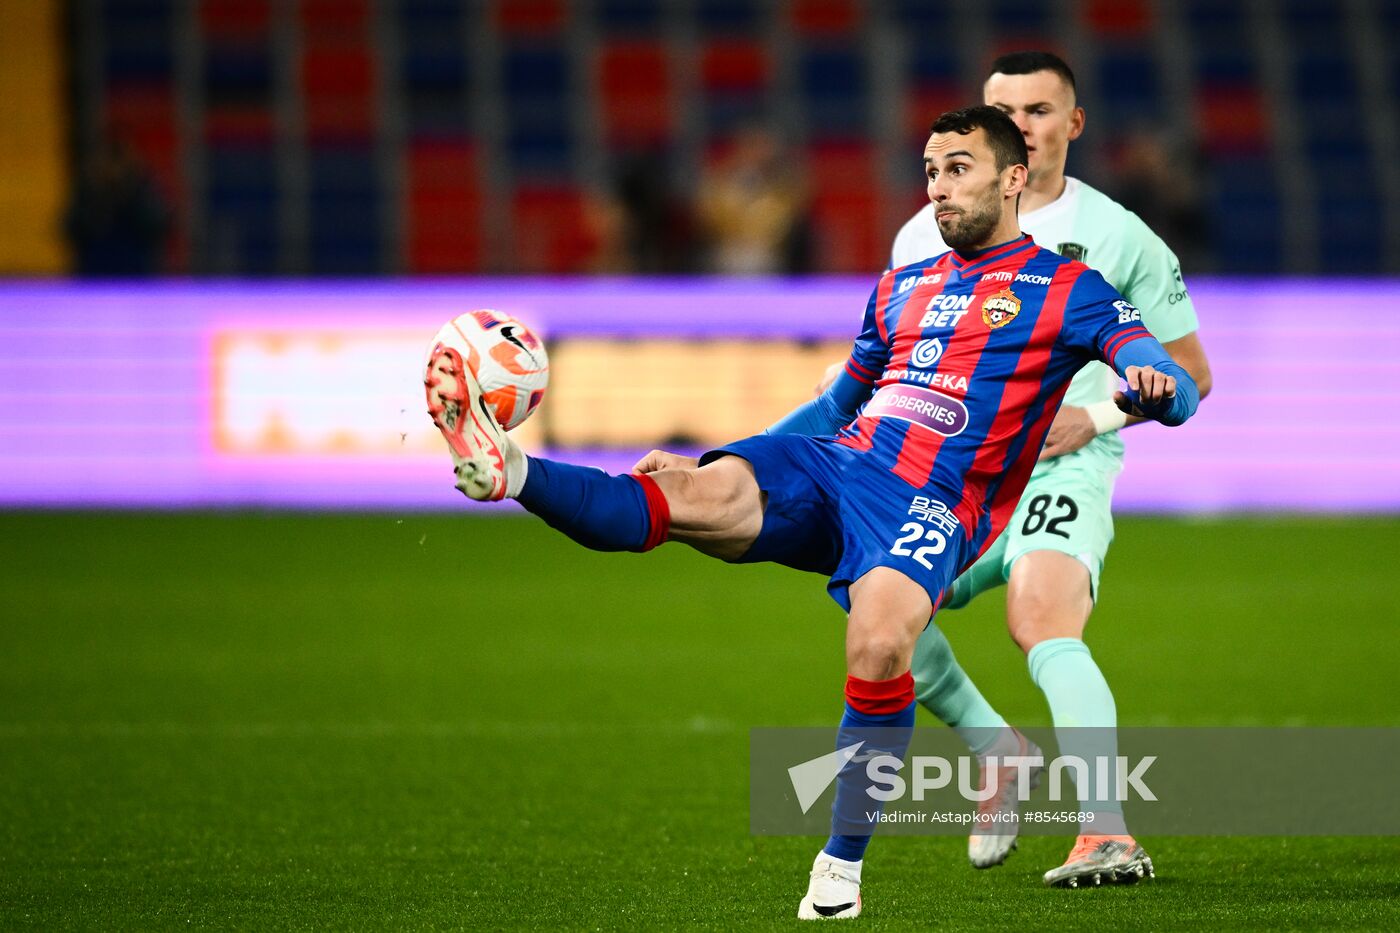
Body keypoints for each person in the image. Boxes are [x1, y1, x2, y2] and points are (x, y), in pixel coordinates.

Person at [424, 106, 1200, 919]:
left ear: (1011, 178)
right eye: (931, 170)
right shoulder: (904, 285)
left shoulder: (1069, 288)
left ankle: (839, 864)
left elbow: (1170, 379)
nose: (938, 186)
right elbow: (837, 404)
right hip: (837, 464)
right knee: (690, 497)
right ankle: (509, 469)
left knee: (879, 640)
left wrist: (1152, 388)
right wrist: (722, 454)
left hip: (935, 497)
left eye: (959, 168)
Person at [884, 52, 1214, 886]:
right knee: (877, 606)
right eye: (1004, 110)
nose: (1020, 123)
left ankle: (1106, 831)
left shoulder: (1119, 235)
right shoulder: (926, 229)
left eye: (1038, 110)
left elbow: (1191, 374)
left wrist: (1099, 413)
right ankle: (997, 749)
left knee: (1040, 618)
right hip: (955, 468)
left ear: (1071, 125)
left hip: (1062, 465)